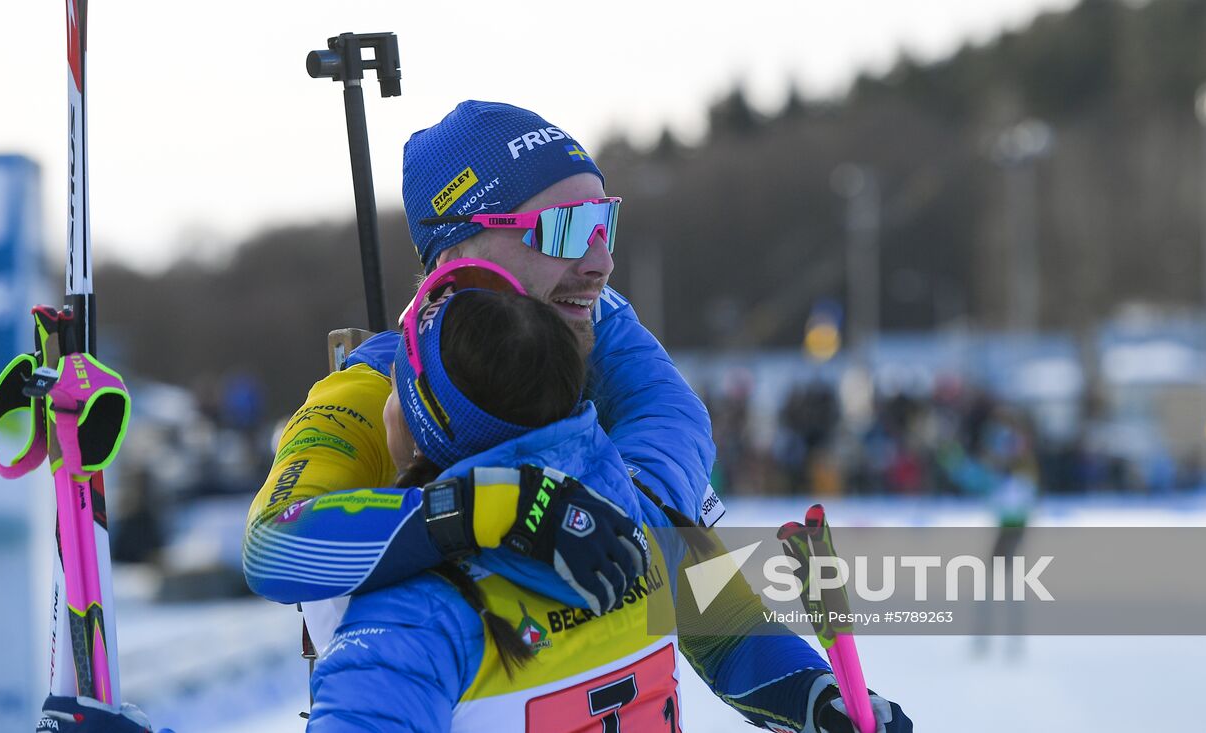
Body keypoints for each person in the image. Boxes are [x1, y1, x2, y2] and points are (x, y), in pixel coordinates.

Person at [308, 267, 909, 731]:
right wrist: (820, 700)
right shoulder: (635, 522)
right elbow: (732, 639)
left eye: (394, 385)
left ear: (426, 423)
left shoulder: (411, 616)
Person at [245, 101, 719, 623]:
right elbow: (272, 546)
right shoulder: (374, 389)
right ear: (458, 261)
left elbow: (675, 447)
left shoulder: (590, 327)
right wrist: (487, 510)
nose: (601, 263)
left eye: (605, 222)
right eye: (564, 228)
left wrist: (802, 683)